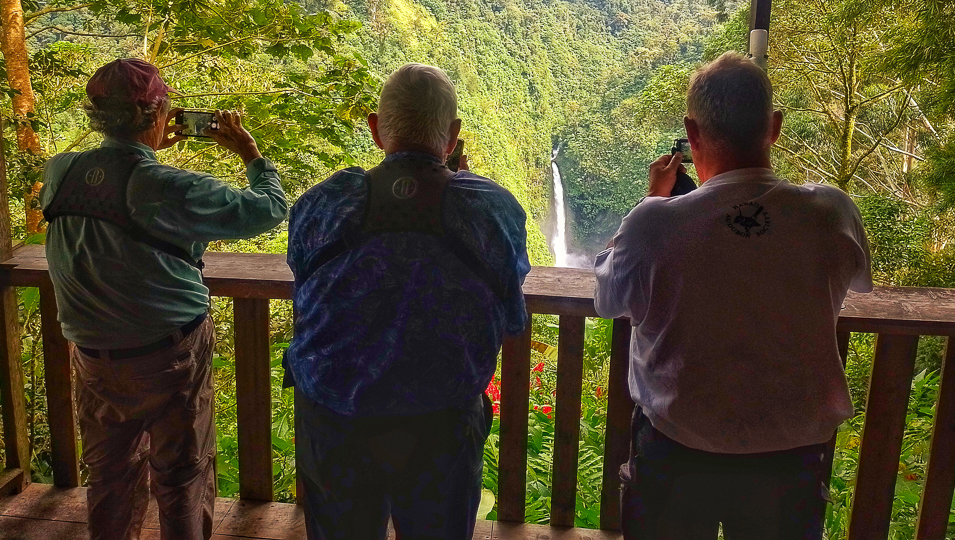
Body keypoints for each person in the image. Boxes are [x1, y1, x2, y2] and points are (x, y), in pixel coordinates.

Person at [594, 51, 872, 540]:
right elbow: (852, 284)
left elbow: (607, 300)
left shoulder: (654, 223)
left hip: (676, 450)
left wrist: (653, 199)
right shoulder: (833, 213)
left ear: (693, 133)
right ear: (776, 127)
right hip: (791, 459)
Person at [42, 58, 287, 540]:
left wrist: (145, 147)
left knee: (110, 477)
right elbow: (268, 210)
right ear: (156, 113)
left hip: (94, 356)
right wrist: (250, 153)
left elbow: (109, 197)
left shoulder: (61, 170)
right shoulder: (168, 187)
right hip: (170, 354)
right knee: (182, 476)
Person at [287, 63, 530, 540]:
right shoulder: (492, 209)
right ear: (454, 135)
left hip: (334, 417)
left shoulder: (323, 202)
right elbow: (511, 318)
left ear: (376, 130)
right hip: (440, 424)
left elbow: (307, 293)